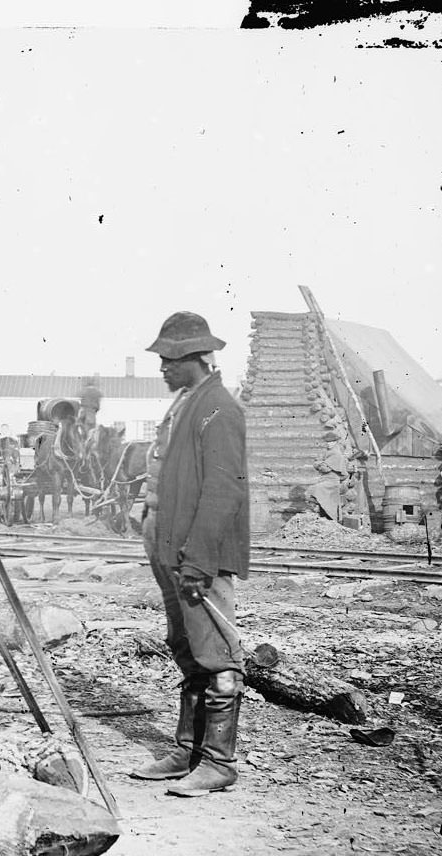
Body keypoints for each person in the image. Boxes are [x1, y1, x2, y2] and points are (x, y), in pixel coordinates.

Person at [131, 311, 249, 796]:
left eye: (167, 360)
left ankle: (218, 762)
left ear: (195, 359)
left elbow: (223, 492)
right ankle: (189, 750)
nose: (161, 368)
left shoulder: (219, 408)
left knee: (216, 653)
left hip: (197, 553)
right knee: (188, 649)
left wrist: (198, 561)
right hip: (172, 547)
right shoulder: (186, 403)